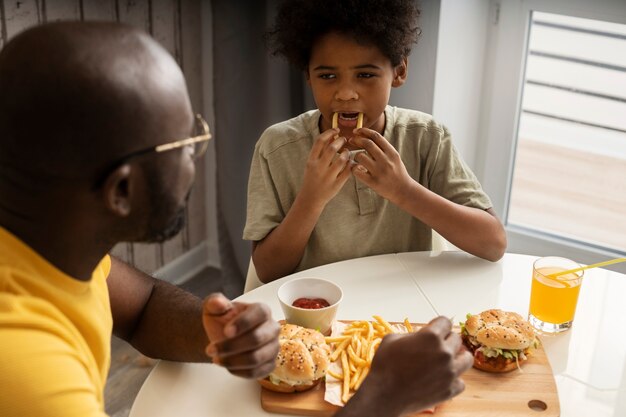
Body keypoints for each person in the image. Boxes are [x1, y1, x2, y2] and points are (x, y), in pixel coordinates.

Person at [0, 22, 472, 417]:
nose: (196, 158)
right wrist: (383, 395)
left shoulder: (45, 245)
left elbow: (140, 306)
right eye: (184, 143)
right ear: (121, 190)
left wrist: (213, 332)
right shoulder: (30, 377)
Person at [244, 0, 508, 283]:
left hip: (404, 305)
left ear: (399, 71)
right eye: (328, 75)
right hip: (317, 313)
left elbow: (493, 244)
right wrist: (311, 199)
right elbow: (269, 271)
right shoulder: (276, 148)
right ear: (308, 75)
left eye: (366, 75)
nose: (345, 93)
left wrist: (404, 191)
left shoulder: (427, 137)